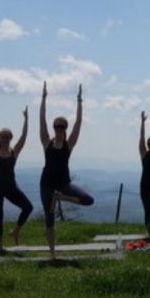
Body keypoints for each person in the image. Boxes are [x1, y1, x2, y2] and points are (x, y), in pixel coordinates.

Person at [39, 82, 94, 260]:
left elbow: (78, 122)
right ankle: (52, 254)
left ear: (65, 129)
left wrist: (79, 100)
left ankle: (59, 198)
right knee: (49, 219)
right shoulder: (46, 142)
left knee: (88, 200)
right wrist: (44, 97)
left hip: (64, 184)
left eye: (63, 126)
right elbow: (41, 119)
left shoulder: (69, 144)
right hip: (46, 183)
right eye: (57, 126)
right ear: (54, 127)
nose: (60, 128)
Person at [0, 102, 33, 250]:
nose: (4, 140)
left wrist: (26, 120)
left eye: (7, 137)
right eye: (2, 137)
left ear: (10, 138)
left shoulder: (14, 151)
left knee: (28, 207)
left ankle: (16, 230)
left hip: (10, 187)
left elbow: (23, 137)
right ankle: (0, 247)